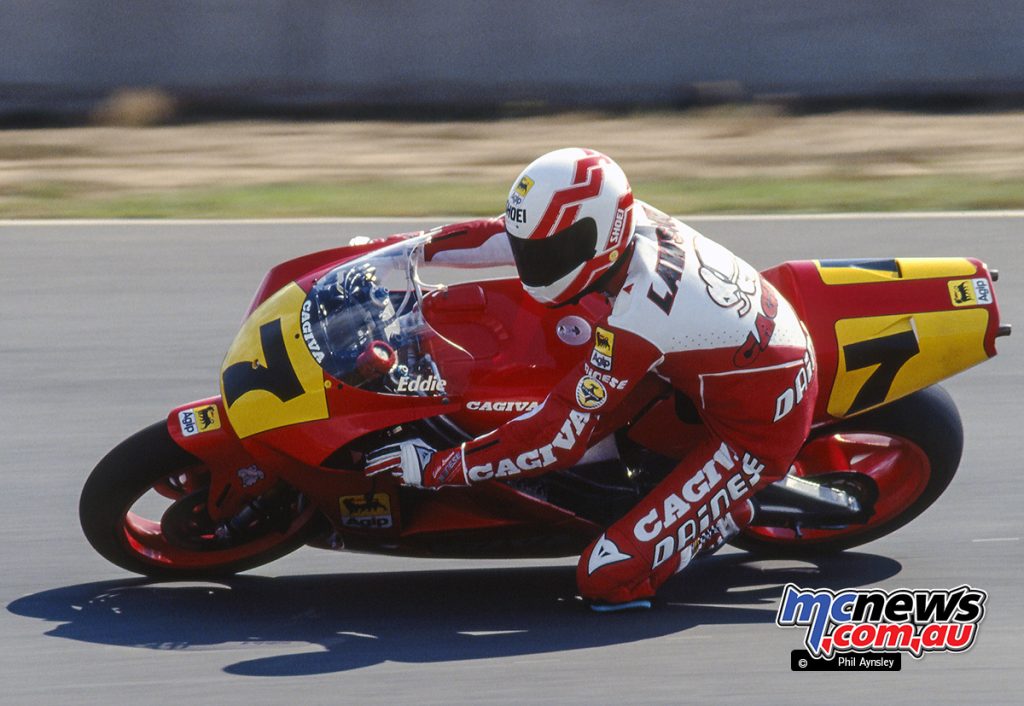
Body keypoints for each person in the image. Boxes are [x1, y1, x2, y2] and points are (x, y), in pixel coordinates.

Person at [366, 147, 817, 610]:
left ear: (601, 235)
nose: (534, 265)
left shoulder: (638, 313)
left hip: (756, 425)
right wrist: (405, 251)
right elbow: (506, 237)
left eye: (553, 252)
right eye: (535, 249)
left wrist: (438, 468)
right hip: (708, 365)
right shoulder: (624, 221)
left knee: (603, 579)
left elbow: (557, 438)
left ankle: (728, 513)